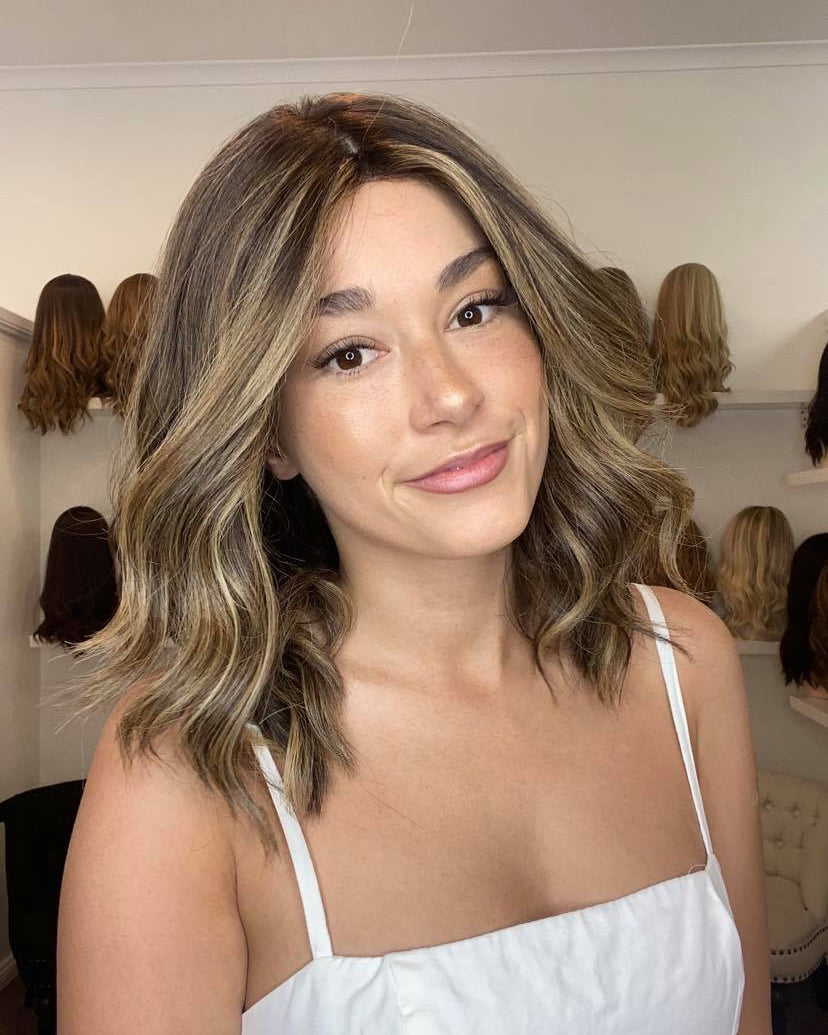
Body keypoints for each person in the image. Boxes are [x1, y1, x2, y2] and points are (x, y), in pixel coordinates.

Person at [56, 92, 770, 1033]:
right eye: (351, 353)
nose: (450, 395)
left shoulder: (684, 663)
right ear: (269, 433)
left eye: (475, 308)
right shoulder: (188, 767)